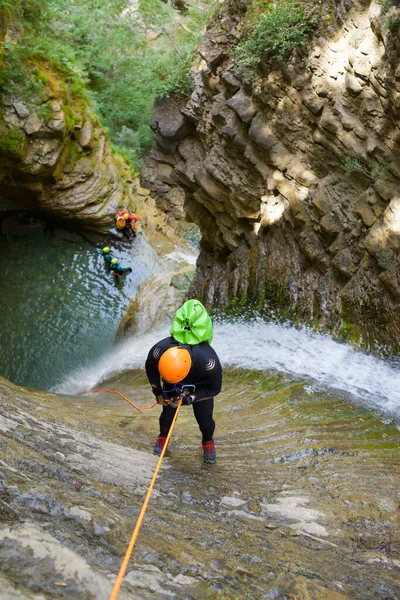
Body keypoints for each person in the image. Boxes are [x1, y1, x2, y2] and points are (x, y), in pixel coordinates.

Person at [145, 299, 222, 464]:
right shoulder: (161, 350)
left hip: (199, 386)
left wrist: (191, 398)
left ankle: (208, 442)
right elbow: (150, 366)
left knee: (206, 422)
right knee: (167, 416)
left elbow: (214, 389)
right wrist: (158, 391)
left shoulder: (208, 361)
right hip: (172, 385)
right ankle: (163, 436)